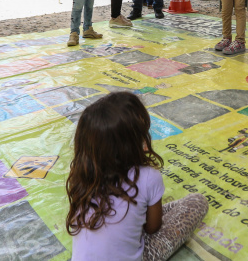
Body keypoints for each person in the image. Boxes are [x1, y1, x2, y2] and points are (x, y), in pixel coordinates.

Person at [66, 92, 208, 261]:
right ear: (131, 144)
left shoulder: (81, 176)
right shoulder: (148, 176)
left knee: (145, 210)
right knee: (197, 202)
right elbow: (152, 228)